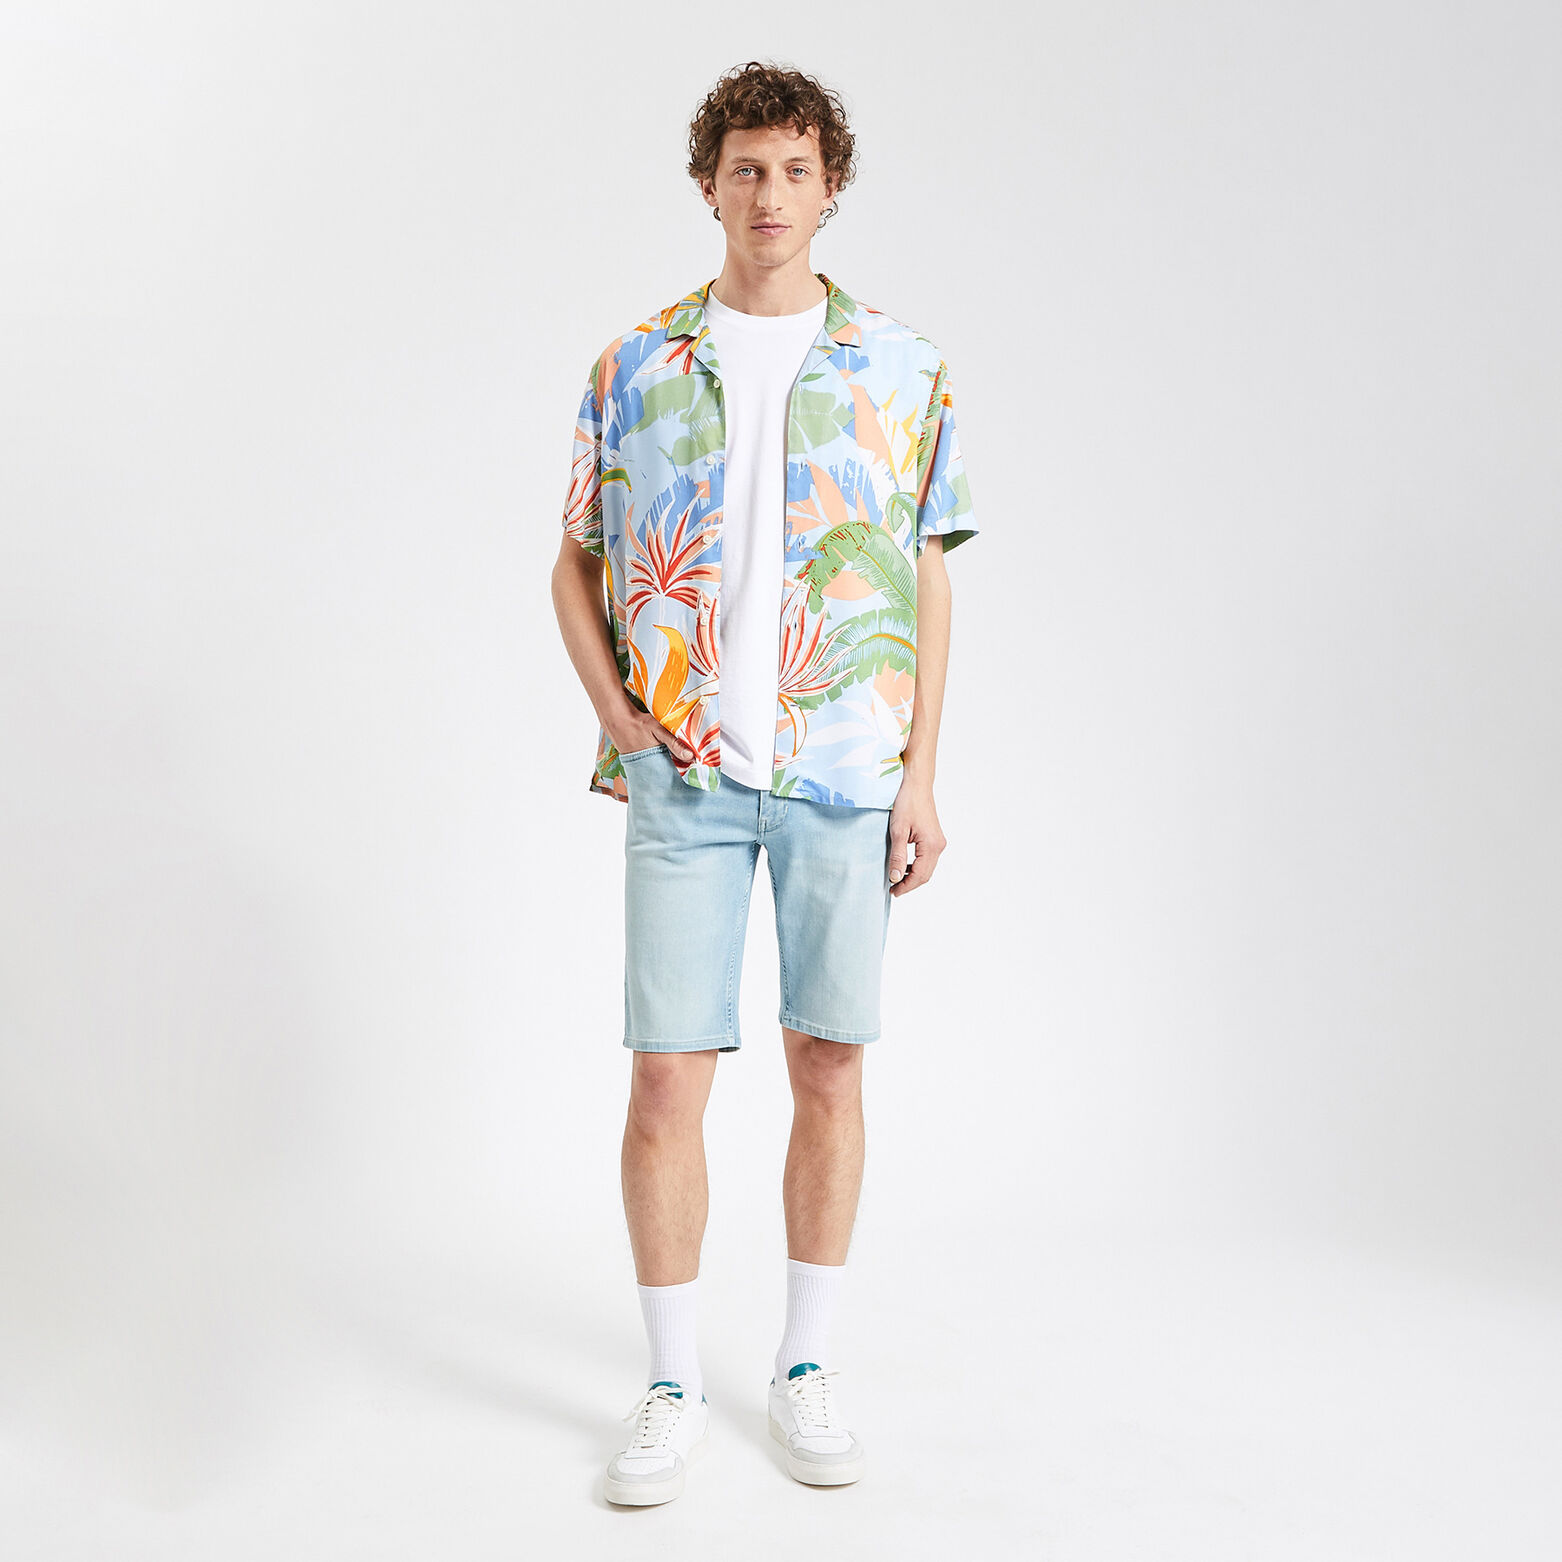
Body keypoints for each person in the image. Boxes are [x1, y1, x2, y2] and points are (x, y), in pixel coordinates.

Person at [551, 60, 979, 1506]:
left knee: (829, 1064)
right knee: (664, 1077)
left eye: (796, 169)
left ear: (830, 188)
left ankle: (803, 1364)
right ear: (709, 185)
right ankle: (671, 1381)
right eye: (746, 168)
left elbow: (925, 573)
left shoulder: (903, 369)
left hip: (845, 770)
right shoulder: (633, 365)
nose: (770, 193)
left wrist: (922, 775)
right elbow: (573, 564)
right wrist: (622, 719)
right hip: (681, 775)